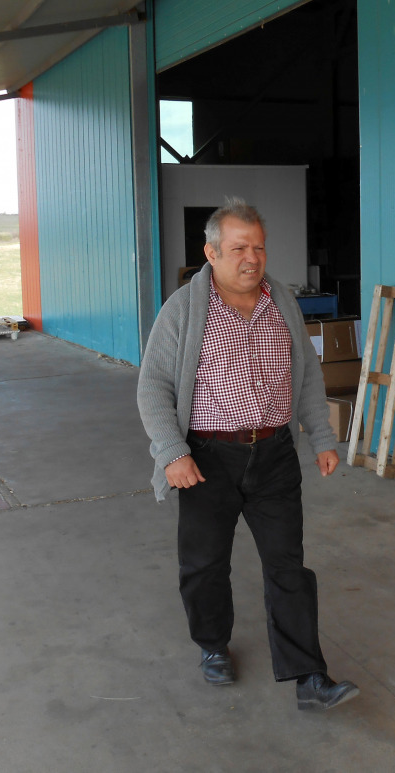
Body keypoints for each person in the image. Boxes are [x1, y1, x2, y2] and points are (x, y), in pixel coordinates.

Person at [137, 198, 359, 712]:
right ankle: (212, 644)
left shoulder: (281, 301)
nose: (251, 258)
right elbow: (152, 387)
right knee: (205, 565)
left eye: (258, 247)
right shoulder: (183, 310)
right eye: (238, 248)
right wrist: (172, 451)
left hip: (275, 453)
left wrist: (322, 438)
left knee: (289, 567)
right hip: (207, 458)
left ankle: (309, 676)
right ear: (211, 252)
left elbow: (303, 376)